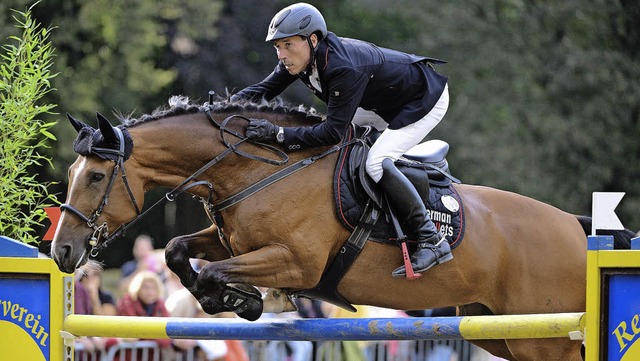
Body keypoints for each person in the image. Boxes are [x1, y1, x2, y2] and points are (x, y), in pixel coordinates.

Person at [232, 2, 452, 277]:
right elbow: (262, 90)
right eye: (277, 46)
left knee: (376, 163)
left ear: (312, 40)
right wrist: (219, 109)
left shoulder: (341, 68)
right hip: (379, 100)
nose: (282, 54)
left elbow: (331, 133)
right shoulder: (301, 59)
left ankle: (431, 239)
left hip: (420, 100)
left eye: (288, 45)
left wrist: (278, 134)